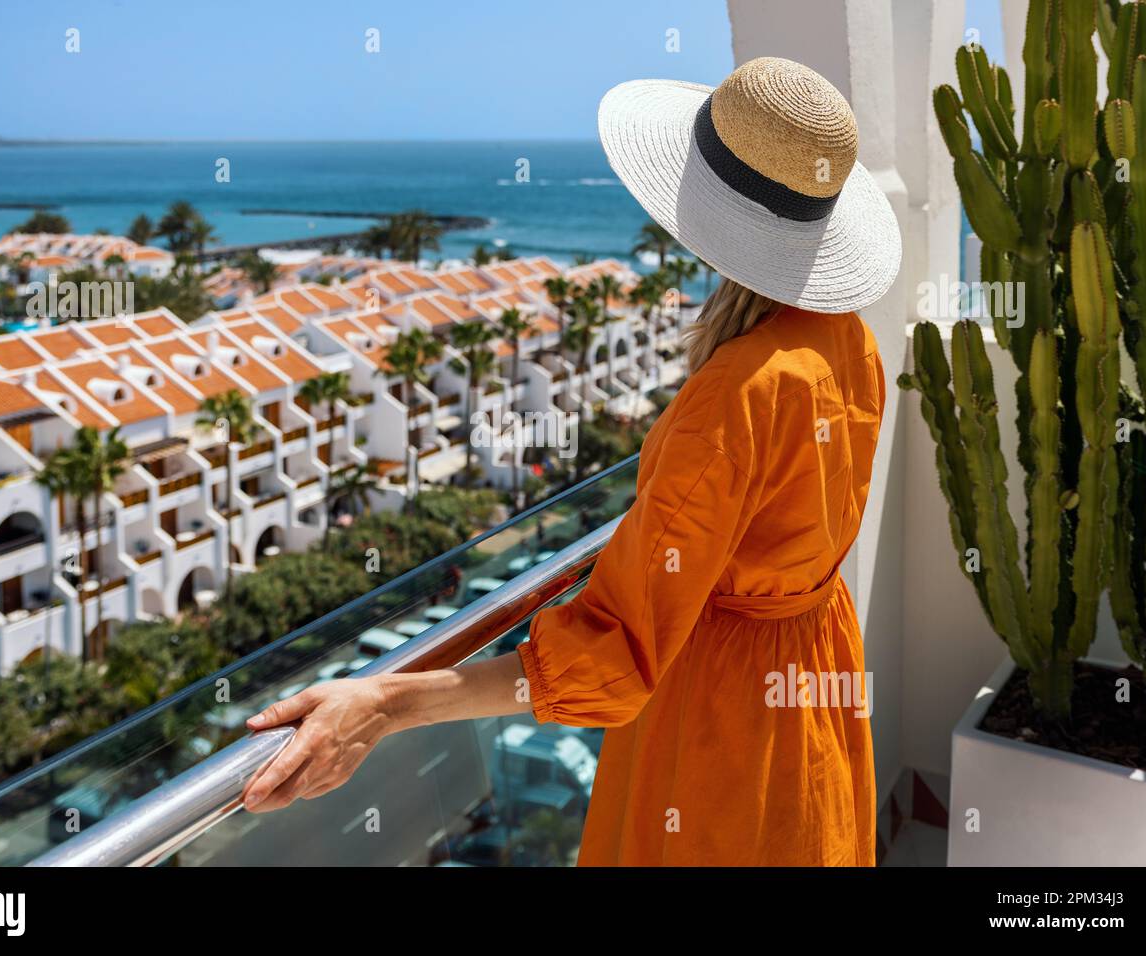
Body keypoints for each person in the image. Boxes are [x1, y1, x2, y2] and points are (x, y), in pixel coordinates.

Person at [241, 56, 899, 866]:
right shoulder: (846, 340)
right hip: (811, 687)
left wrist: (382, 703)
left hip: (721, 723)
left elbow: (616, 658)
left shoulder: (738, 388)